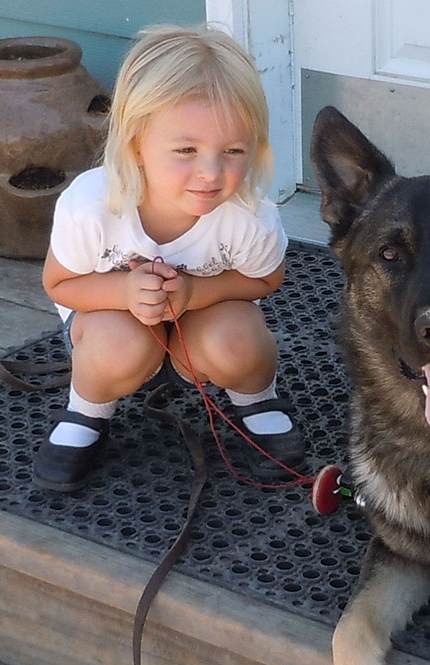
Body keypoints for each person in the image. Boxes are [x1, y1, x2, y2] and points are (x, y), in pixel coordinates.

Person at [33, 24, 304, 492]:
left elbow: (266, 279)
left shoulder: (248, 214)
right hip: (109, 327)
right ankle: (87, 409)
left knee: (239, 340)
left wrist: (199, 292)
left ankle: (257, 398)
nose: (211, 172)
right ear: (137, 143)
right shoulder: (92, 206)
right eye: (186, 150)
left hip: (206, 329)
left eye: (233, 151)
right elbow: (59, 283)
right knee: (118, 346)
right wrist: (123, 290)